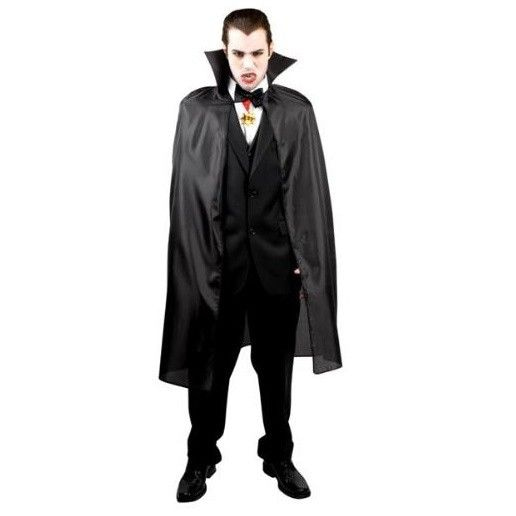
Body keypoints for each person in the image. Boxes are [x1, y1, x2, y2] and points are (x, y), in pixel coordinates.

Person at [159, 8, 342, 502]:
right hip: (217, 271)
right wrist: (194, 266)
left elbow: (310, 193)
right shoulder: (195, 111)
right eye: (238, 53)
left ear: (270, 50)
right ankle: (200, 457)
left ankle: (279, 454)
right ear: (225, 51)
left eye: (257, 53)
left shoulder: (296, 111)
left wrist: (305, 261)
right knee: (208, 371)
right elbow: (184, 200)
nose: (247, 64)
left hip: (277, 268)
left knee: (276, 371)